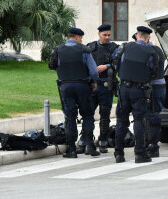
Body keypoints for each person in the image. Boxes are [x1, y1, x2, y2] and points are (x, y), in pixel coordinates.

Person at [48, 28, 100, 158]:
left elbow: (52, 66)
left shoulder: (58, 50)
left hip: (65, 86)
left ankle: (71, 149)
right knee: (87, 115)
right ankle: (90, 146)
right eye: (81, 38)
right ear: (77, 37)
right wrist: (94, 82)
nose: (81, 40)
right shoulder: (84, 50)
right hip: (83, 86)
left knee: (70, 117)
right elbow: (94, 71)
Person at [113, 26, 159, 163]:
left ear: (137, 36)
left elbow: (116, 65)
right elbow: (154, 72)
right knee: (139, 120)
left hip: (124, 88)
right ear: (148, 38)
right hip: (139, 90)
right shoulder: (151, 51)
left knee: (121, 121)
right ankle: (139, 153)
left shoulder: (125, 47)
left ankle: (119, 153)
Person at [77, 24, 119, 154]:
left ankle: (103, 141)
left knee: (105, 114)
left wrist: (106, 66)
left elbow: (117, 62)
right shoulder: (90, 47)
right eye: (104, 35)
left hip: (106, 85)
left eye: (109, 35)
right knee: (87, 114)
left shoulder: (114, 48)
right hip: (92, 85)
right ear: (99, 34)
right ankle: (85, 140)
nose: (107, 37)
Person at [145, 37, 166, 158]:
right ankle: (152, 145)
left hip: (153, 86)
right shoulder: (156, 49)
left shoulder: (151, 51)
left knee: (151, 116)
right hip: (159, 86)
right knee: (153, 115)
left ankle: (152, 146)